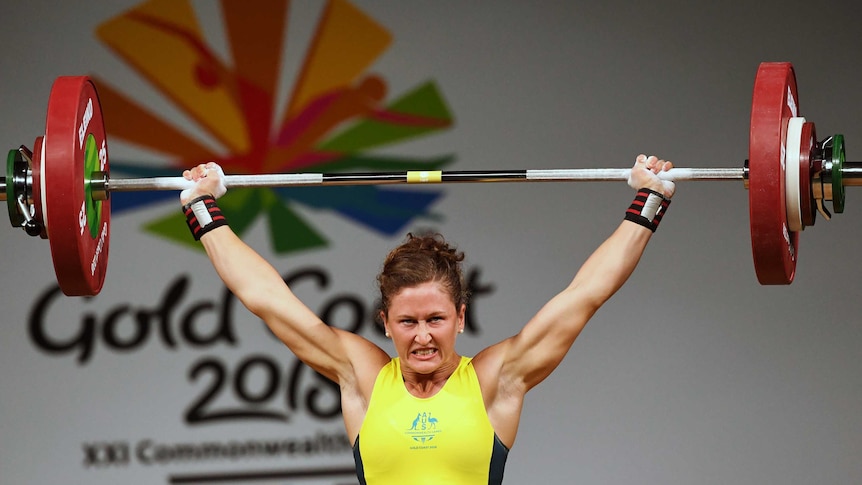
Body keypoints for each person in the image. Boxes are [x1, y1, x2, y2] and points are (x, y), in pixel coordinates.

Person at [179, 154, 675, 484]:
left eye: (435, 319)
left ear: (461, 317)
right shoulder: (365, 377)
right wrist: (203, 210)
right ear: (386, 322)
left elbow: (585, 295)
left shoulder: (492, 380)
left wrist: (648, 198)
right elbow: (267, 299)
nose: (421, 337)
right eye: (408, 322)